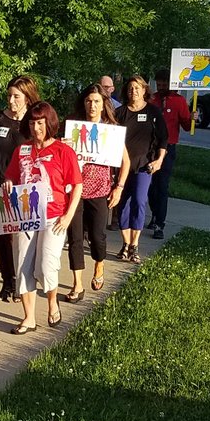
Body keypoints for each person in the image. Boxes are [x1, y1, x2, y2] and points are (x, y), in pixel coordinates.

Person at [4, 101, 82, 334]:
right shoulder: (23, 150)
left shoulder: (62, 151)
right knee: (22, 265)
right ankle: (29, 318)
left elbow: (77, 185)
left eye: (40, 122)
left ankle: (52, 302)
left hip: (54, 216)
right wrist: (8, 182)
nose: (36, 128)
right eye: (32, 122)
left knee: (46, 266)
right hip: (26, 216)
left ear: (49, 123)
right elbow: (11, 176)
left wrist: (68, 216)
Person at [0, 75, 40, 301]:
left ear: (27, 97)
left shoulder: (35, 121)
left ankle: (26, 281)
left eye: (17, 97)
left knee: (23, 238)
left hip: (25, 191)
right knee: (3, 237)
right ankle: (8, 282)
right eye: (9, 96)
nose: (11, 101)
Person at [65, 84, 130, 300]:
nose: (92, 105)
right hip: (75, 190)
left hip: (100, 190)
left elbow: (125, 162)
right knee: (74, 237)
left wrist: (119, 188)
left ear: (103, 105)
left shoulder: (110, 129)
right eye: (88, 101)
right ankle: (77, 285)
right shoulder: (73, 128)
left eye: (96, 101)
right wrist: (63, 147)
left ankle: (99, 264)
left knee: (97, 236)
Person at [115, 75, 168, 264]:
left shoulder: (153, 112)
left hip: (144, 166)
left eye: (137, 88)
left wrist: (159, 160)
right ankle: (125, 244)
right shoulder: (119, 113)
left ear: (145, 90)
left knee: (139, 201)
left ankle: (134, 245)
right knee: (122, 206)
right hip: (122, 167)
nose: (134, 91)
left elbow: (163, 138)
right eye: (130, 88)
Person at [148, 68, 192, 239]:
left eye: (164, 83)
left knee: (162, 187)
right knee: (149, 186)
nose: (161, 86)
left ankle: (160, 224)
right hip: (150, 146)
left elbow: (187, 126)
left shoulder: (179, 101)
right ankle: (155, 213)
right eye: (159, 83)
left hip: (169, 147)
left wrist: (192, 117)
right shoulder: (152, 100)